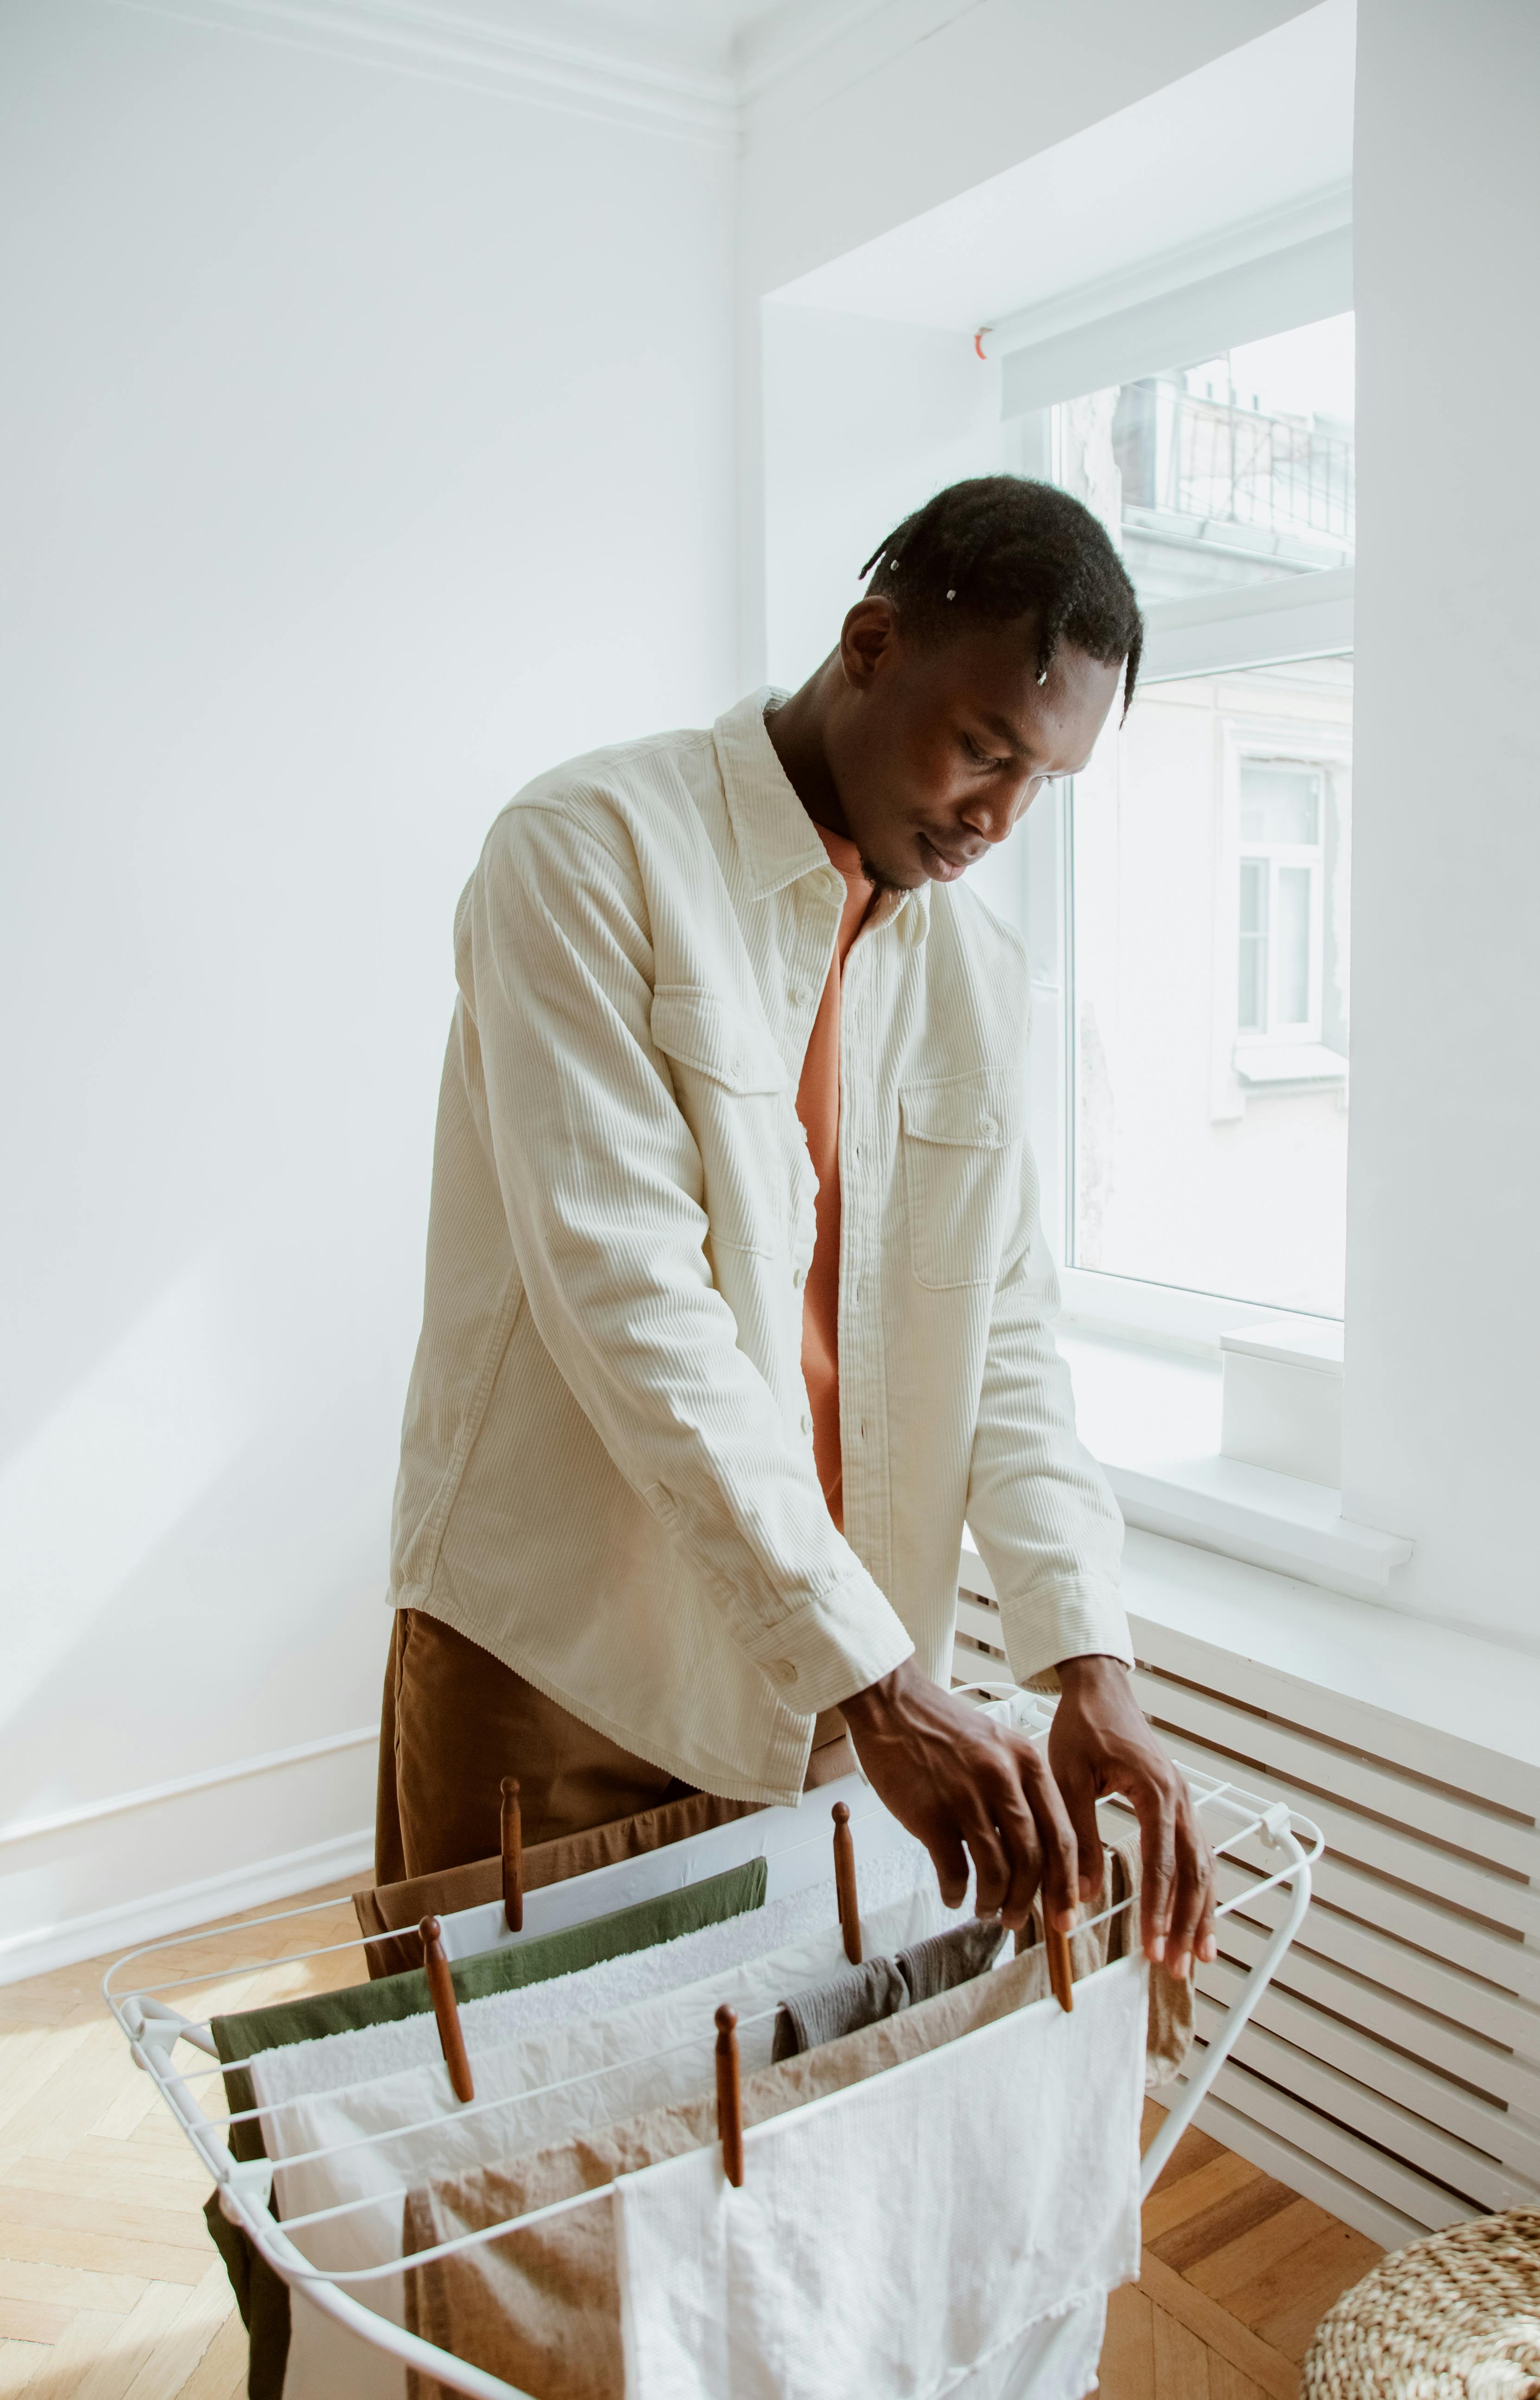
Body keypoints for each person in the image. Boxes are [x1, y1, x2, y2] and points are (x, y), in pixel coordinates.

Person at [378, 474, 1216, 1979]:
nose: (999, 820)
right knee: (492, 2167)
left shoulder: (978, 971)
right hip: (569, 1661)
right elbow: (628, 1302)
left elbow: (1007, 1333)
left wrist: (1087, 1663)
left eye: (1045, 785)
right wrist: (877, 1682)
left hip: (835, 1694)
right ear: (869, 642)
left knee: (761, 2157)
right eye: (984, 750)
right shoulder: (584, 851)